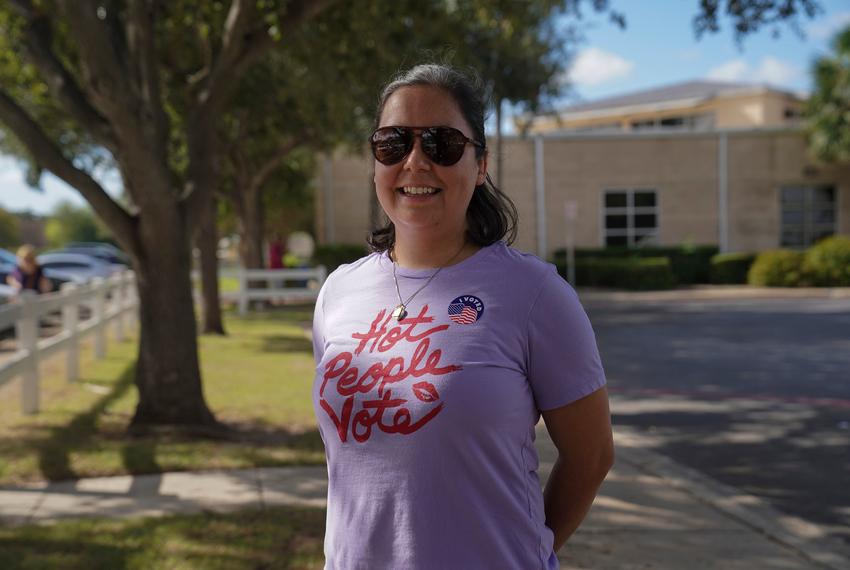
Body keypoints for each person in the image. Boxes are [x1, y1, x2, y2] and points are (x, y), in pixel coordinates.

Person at [311, 63, 614, 569]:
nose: (415, 162)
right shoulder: (339, 292)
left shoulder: (536, 294)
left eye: (441, 143)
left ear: (481, 164)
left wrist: (527, 549)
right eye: (392, 143)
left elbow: (592, 456)